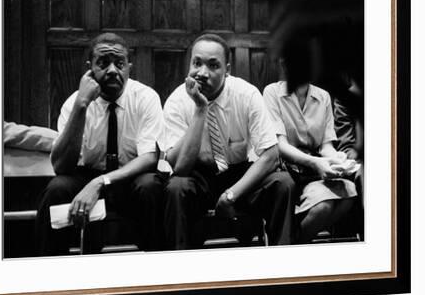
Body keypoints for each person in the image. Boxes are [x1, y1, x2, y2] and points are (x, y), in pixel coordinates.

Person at [162, 33, 296, 250]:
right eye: (197, 63)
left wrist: (231, 195)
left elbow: (271, 156)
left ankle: (281, 266)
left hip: (239, 175)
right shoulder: (177, 100)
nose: (202, 73)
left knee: (283, 183)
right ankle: (179, 271)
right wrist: (200, 110)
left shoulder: (246, 94)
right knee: (176, 188)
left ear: (227, 69)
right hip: (199, 177)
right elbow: (180, 168)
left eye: (213, 65)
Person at [35, 33, 165, 255]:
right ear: (90, 67)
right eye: (103, 63)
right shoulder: (74, 103)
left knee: (151, 186)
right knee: (56, 189)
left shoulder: (145, 98)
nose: (113, 70)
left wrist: (100, 183)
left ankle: (156, 268)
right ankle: (48, 271)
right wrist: (82, 106)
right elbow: (61, 167)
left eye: (119, 63)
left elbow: (150, 157)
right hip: (87, 175)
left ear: (129, 67)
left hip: (129, 177)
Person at [263, 79, 358, 243]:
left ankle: (294, 243)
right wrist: (315, 162)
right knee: (323, 207)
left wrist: (337, 158)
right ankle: (291, 247)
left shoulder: (323, 96)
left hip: (313, 172)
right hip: (285, 171)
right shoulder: (272, 92)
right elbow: (281, 146)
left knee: (349, 191)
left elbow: (326, 146)